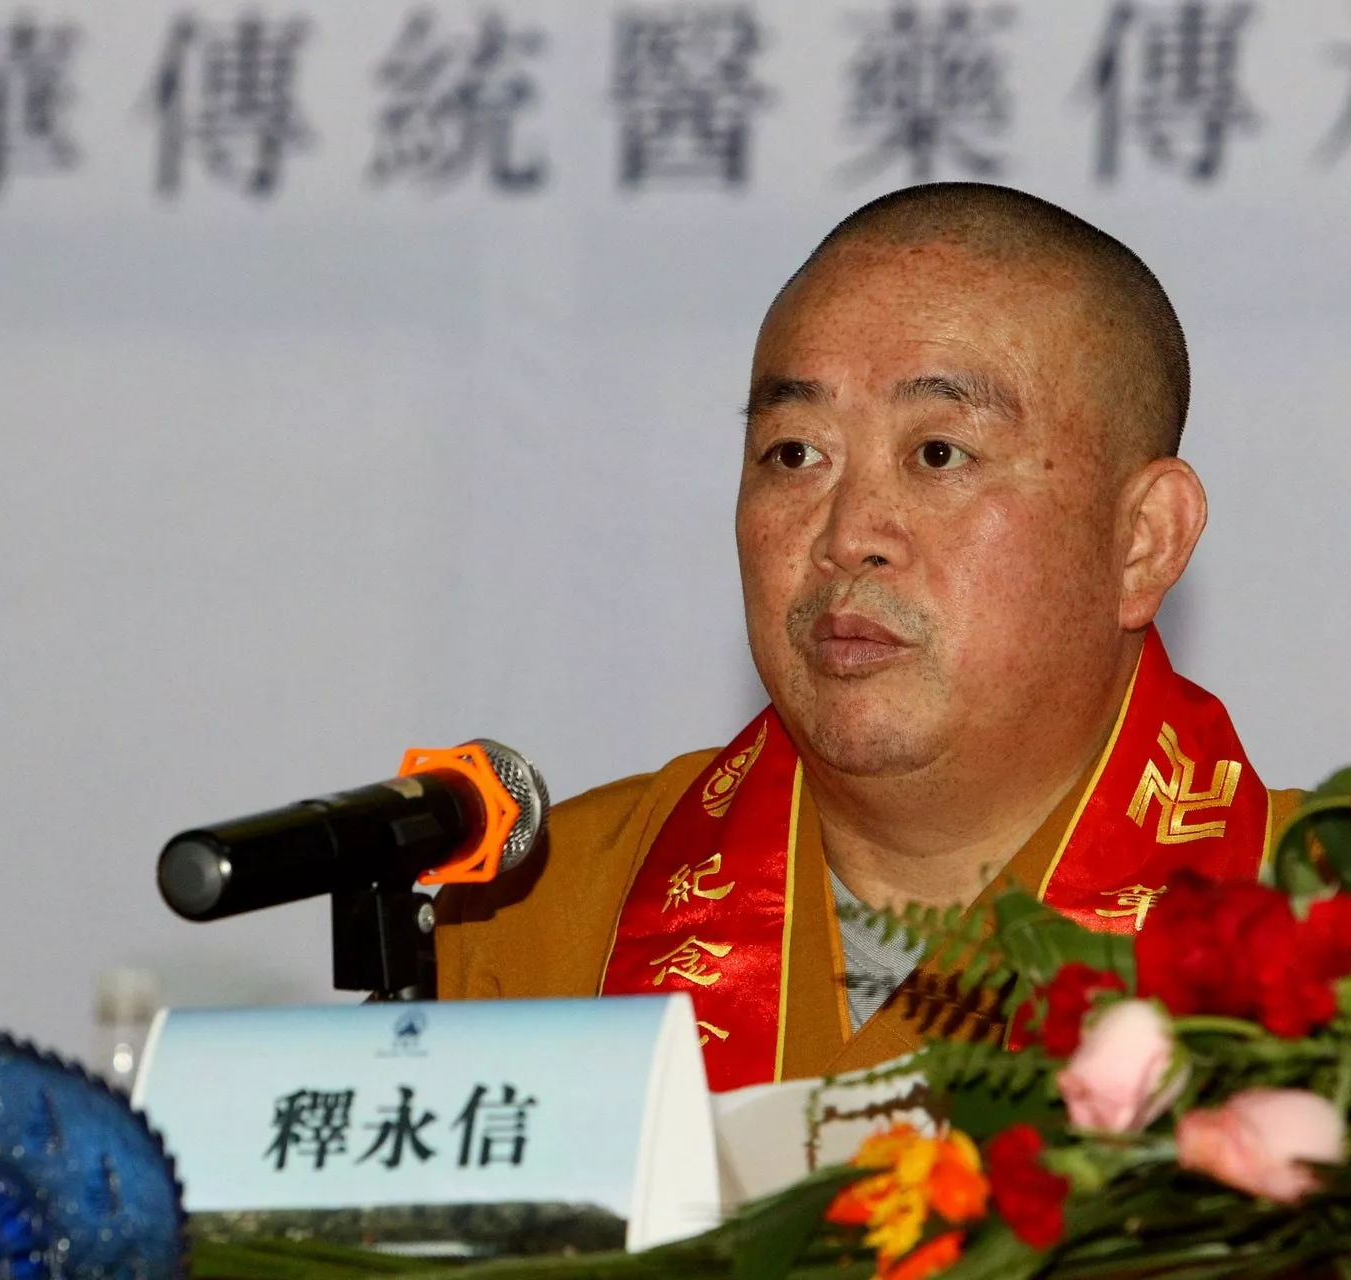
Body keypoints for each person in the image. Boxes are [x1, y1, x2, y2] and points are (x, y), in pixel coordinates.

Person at [435, 183, 1302, 1090]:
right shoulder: (533, 918)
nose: (847, 535)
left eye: (938, 453)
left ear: (1142, 540)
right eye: (795, 453)